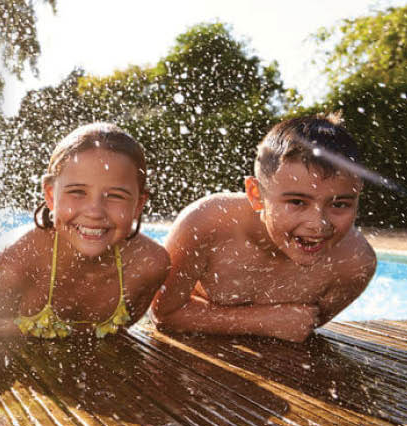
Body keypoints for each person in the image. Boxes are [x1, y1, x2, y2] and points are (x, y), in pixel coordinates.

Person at [151, 113, 377, 342]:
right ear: (256, 194)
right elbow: (164, 314)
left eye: (339, 204)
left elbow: (299, 327)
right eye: (297, 202)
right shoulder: (207, 223)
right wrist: (262, 321)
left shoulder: (354, 264)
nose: (318, 224)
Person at [0, 123, 170, 339]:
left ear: (139, 204)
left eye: (115, 196)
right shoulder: (21, 259)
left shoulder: (150, 264)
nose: (95, 211)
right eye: (77, 192)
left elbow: (116, 334)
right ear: (50, 195)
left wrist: (62, 332)